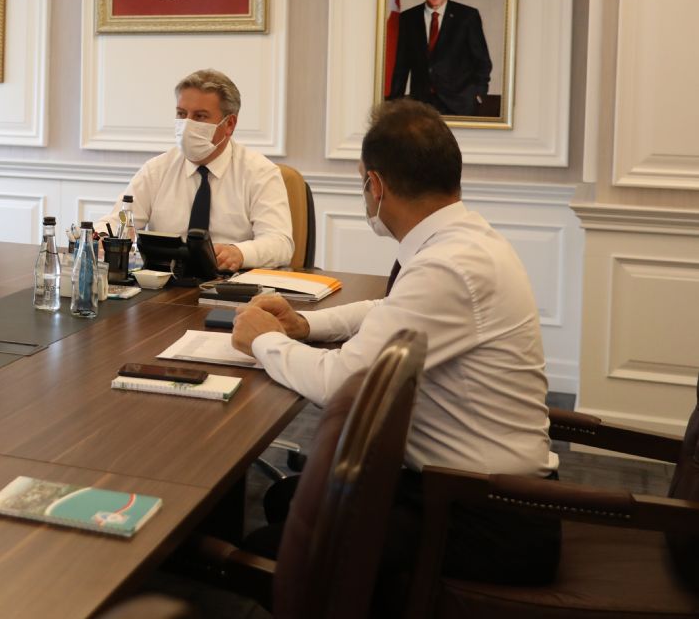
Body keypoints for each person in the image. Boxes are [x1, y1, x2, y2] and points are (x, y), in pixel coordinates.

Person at [232, 98, 559, 593]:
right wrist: (303, 325)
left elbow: (341, 384)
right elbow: (392, 310)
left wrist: (265, 341)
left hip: (487, 517)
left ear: (376, 185)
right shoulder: (463, 241)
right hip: (479, 490)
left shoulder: (449, 266)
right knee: (288, 499)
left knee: (261, 554)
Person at [100, 69, 292, 271]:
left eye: (200, 116)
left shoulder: (260, 173)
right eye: (181, 114)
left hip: (233, 282)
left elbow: (280, 243)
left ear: (229, 124)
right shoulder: (157, 170)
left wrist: (240, 253)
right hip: (167, 281)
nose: (187, 125)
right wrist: (101, 238)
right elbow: (115, 223)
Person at [388, 0, 492, 116]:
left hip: (460, 104)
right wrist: (394, 102)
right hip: (420, 104)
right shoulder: (408, 18)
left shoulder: (467, 16)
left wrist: (479, 92)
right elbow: (401, 65)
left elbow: (482, 61)